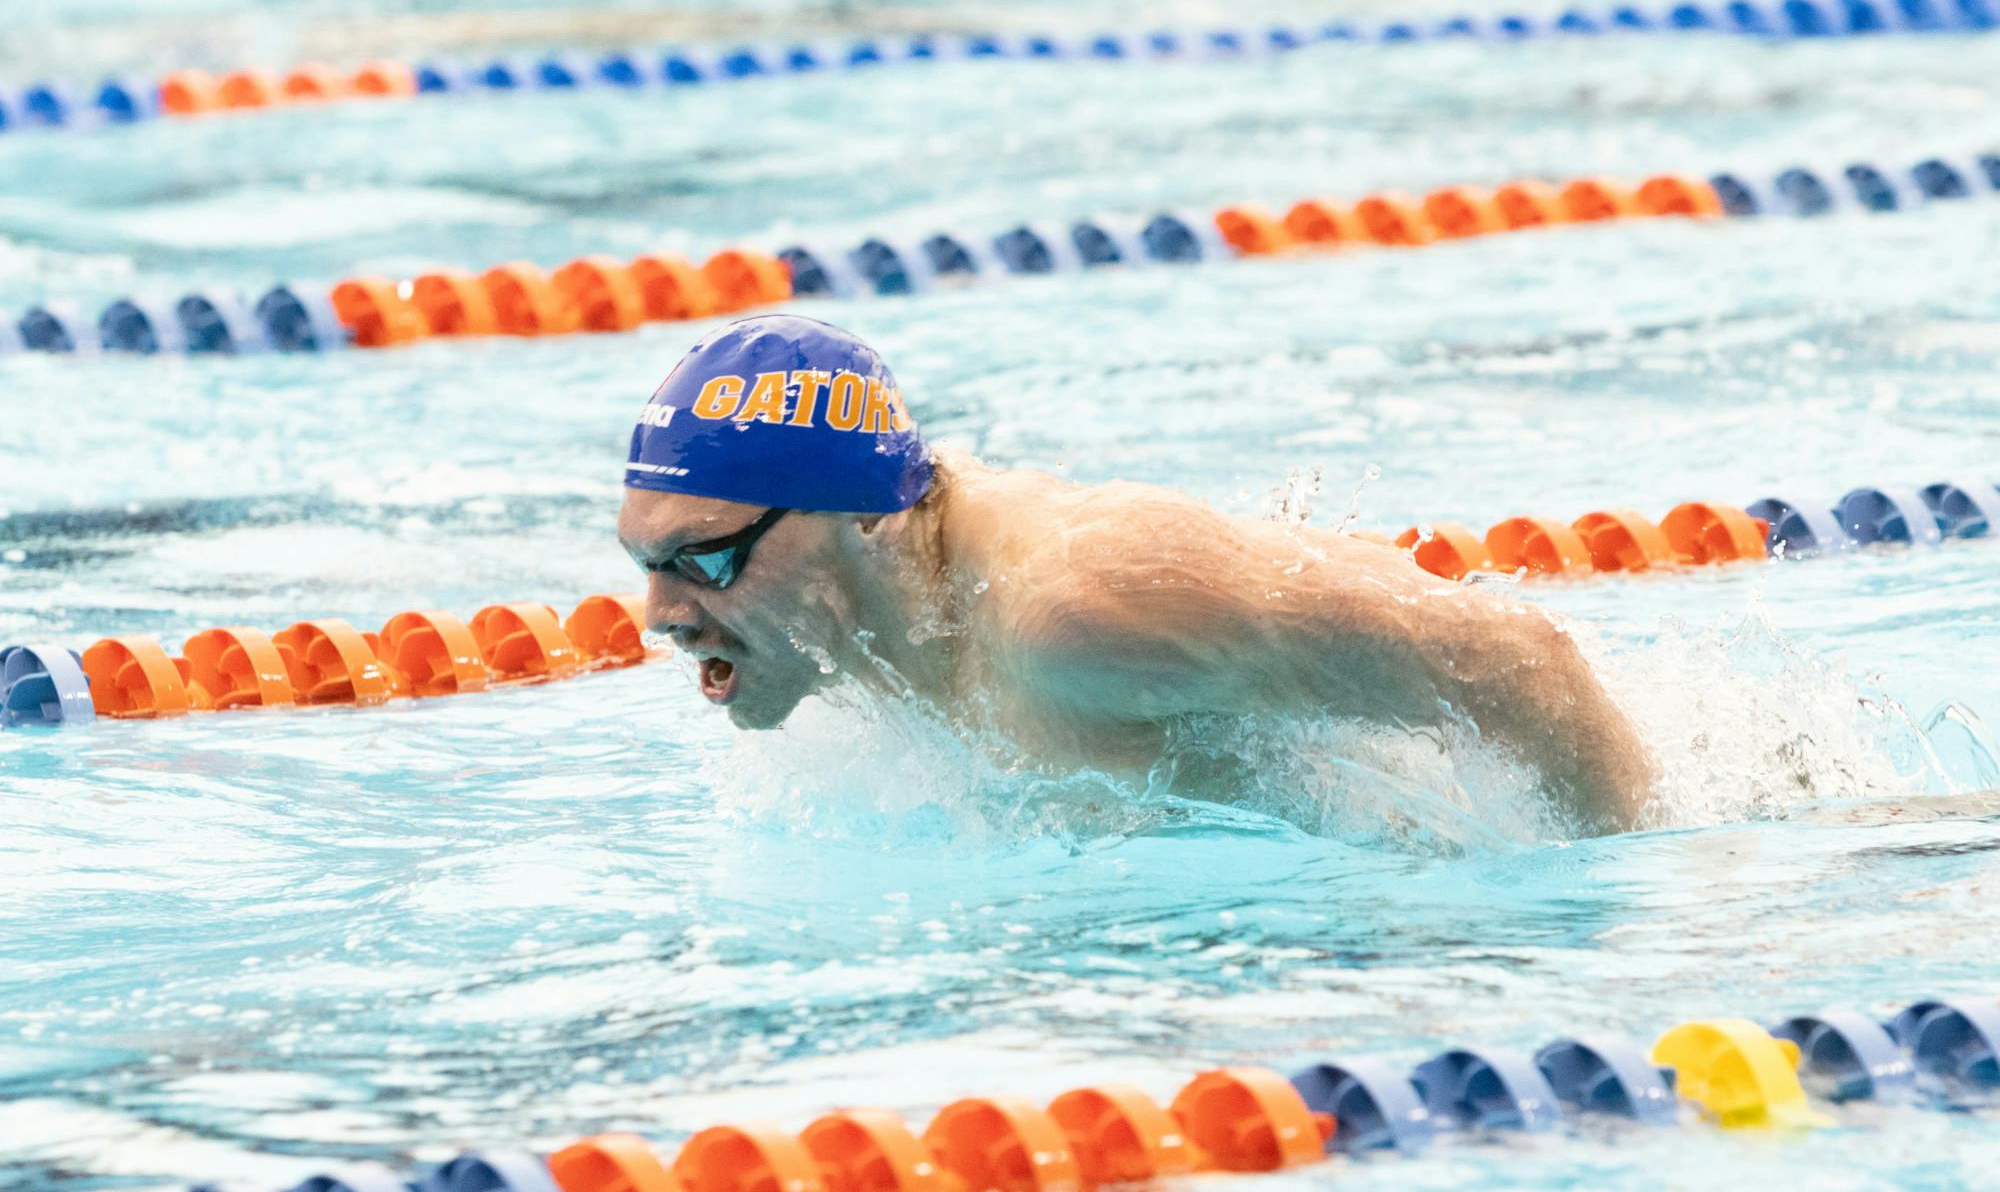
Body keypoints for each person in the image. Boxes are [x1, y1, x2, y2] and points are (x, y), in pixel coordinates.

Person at [618, 315, 1657, 834]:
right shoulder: (858, 628)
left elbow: (1527, 661)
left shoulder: (1084, 610)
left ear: (854, 518)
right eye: (644, 564)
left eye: (700, 559)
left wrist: (1622, 919)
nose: (660, 615)